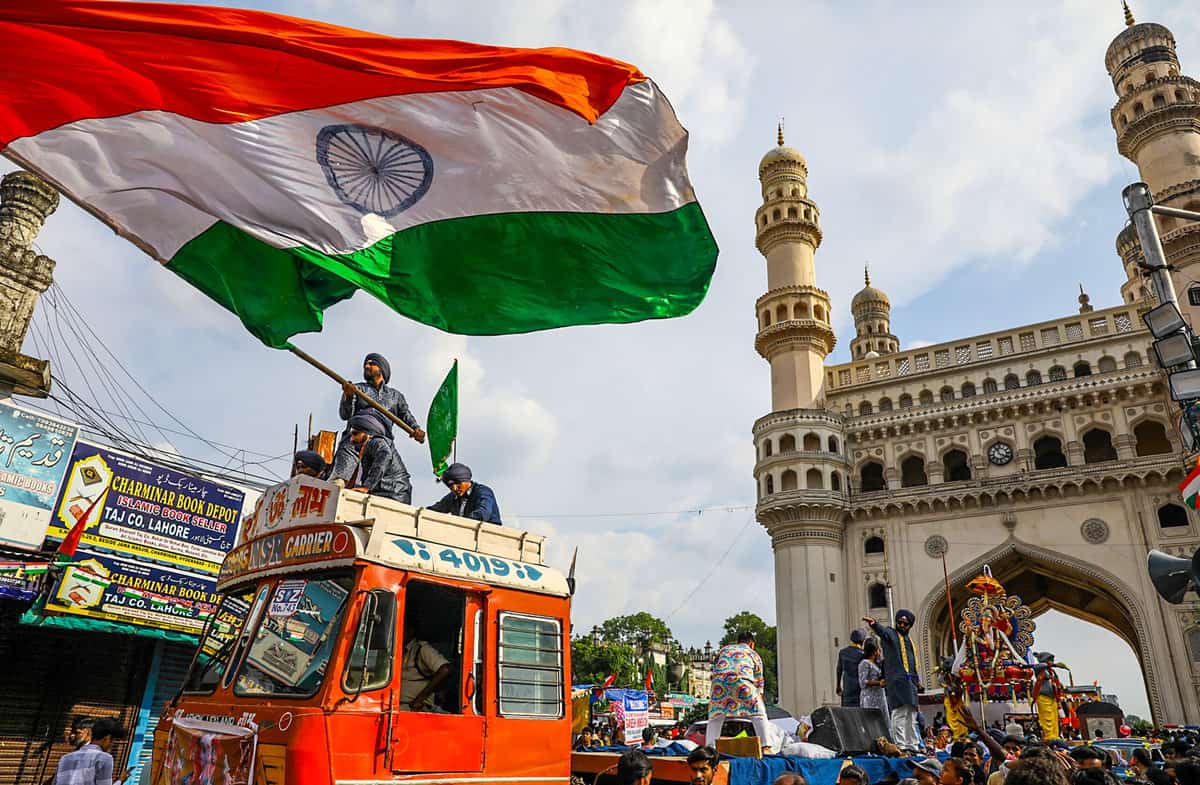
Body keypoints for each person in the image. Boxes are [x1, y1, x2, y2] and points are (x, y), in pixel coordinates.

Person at [332, 353, 424, 487]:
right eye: (365, 364)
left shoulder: (395, 396)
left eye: (371, 363)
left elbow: (406, 415)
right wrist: (348, 396)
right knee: (350, 446)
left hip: (382, 439)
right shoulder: (357, 389)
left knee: (390, 469)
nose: (366, 366)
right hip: (357, 436)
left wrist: (416, 429)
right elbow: (345, 415)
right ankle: (339, 480)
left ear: (381, 369)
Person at [865, 611, 923, 752]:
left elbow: (912, 663)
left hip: (910, 683)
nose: (902, 625)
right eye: (900, 622)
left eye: (905, 623)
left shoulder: (910, 642)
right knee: (899, 713)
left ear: (910, 625)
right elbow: (883, 632)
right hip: (897, 682)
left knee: (911, 713)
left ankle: (912, 744)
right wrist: (875, 624)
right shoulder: (891, 635)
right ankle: (901, 744)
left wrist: (917, 681)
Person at [706, 630, 772, 749]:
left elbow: (715, 667)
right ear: (752, 644)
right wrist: (759, 698)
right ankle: (765, 746)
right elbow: (759, 681)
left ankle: (710, 747)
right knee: (759, 713)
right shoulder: (753, 653)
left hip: (719, 683)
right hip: (742, 680)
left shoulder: (724, 649)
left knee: (715, 716)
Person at [342, 415, 412, 502]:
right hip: (388, 493)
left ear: (367, 434)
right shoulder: (365, 448)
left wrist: (367, 486)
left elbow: (385, 456)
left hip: (392, 493)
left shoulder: (376, 442)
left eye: (355, 433)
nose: (352, 438)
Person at [399, 619, 452, 712]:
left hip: (412, 708)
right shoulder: (399, 651)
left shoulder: (421, 649)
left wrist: (420, 699)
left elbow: (445, 669)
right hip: (396, 704)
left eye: (402, 627)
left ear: (411, 630)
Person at [54, 717, 124, 785]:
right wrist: (120, 781)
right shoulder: (104, 758)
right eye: (112, 742)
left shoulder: (65, 758)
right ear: (107, 738)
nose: (111, 745)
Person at [429, 463, 502, 524]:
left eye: (458, 484)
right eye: (450, 486)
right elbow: (435, 510)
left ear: (466, 481)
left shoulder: (483, 492)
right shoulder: (453, 497)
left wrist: (460, 522)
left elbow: (483, 513)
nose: (454, 488)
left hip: (488, 536)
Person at [1031, 653, 1063, 742]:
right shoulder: (1040, 669)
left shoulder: (1051, 671)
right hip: (1043, 697)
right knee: (1046, 717)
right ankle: (1049, 736)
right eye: (1049, 660)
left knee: (1054, 717)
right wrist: (1050, 664)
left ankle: (1055, 735)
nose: (1051, 662)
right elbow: (1036, 667)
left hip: (1053, 698)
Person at [837, 629, 867, 707]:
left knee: (847, 714)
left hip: (847, 689)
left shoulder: (843, 652)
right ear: (863, 641)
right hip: (859, 690)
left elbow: (839, 670)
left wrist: (838, 686)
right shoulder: (863, 654)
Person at [858, 638, 888, 714]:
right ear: (874, 651)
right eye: (878, 649)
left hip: (880, 696)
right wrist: (878, 683)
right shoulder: (864, 663)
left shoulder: (877, 663)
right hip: (870, 698)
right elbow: (863, 682)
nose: (880, 651)